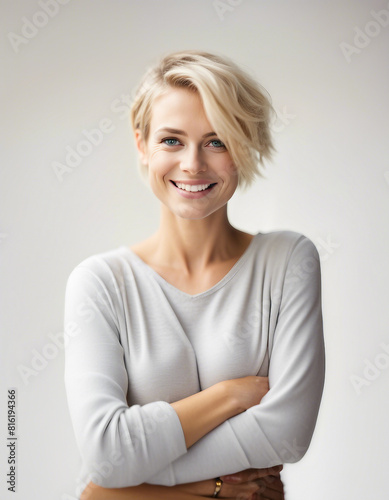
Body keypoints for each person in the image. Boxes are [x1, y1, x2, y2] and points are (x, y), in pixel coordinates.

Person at [63, 50, 325, 500]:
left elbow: (289, 434)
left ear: (244, 146)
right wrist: (229, 397)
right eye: (171, 140)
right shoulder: (100, 283)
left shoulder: (289, 261)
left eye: (217, 140)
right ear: (141, 142)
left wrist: (121, 484)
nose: (193, 165)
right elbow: (106, 454)